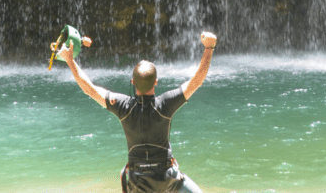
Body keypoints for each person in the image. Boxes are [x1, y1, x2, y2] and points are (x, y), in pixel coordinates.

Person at [56, 31, 218, 193]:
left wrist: (70, 59)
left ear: (133, 82)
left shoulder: (122, 106)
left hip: (138, 182)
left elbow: (89, 89)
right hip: (167, 178)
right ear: (156, 81)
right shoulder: (166, 104)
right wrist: (209, 48)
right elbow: (197, 81)